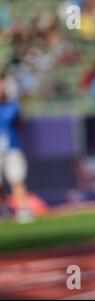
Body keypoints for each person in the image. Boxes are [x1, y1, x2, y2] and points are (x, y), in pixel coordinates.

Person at [0, 76, 35, 223]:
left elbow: (21, 124)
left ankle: (23, 209)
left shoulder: (12, 106)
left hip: (12, 149)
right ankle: (4, 209)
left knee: (17, 179)